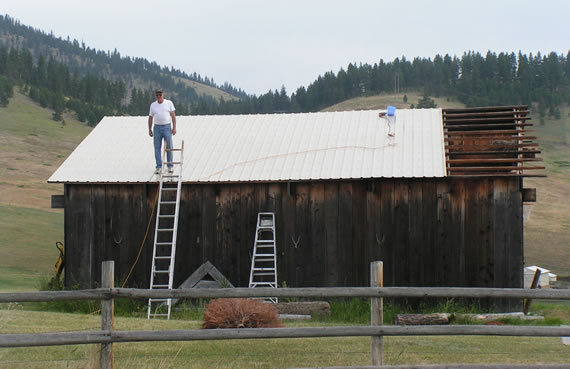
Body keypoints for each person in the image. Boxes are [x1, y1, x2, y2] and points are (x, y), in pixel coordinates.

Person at [148, 88, 176, 174]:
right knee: (157, 147)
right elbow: (150, 118)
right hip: (157, 128)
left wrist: (174, 127)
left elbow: (173, 116)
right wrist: (149, 129)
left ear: (163, 95)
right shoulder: (153, 105)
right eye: (157, 95)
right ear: (155, 96)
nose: (159, 96)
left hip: (167, 127)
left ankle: (170, 165)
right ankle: (159, 166)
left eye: (160, 94)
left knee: (169, 146)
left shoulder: (169, 103)